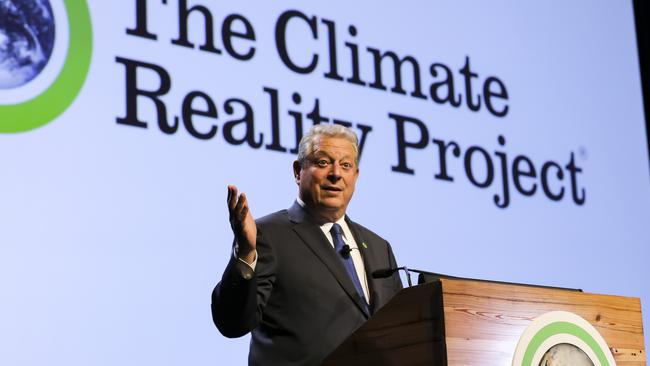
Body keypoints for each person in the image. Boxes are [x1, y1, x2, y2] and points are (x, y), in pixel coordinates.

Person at [211, 124, 402, 365]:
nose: (336, 174)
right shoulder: (268, 235)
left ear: (355, 175)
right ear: (298, 171)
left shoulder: (378, 247)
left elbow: (401, 331)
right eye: (323, 163)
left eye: (346, 165)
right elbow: (233, 322)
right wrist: (246, 253)